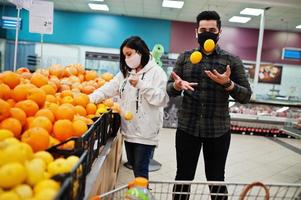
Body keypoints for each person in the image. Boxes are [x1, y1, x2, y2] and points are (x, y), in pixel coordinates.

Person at [166, 11, 252, 200]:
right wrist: (176, 86)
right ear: (196, 32)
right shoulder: (185, 58)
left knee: (216, 179)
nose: (207, 33)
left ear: (219, 32)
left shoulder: (231, 61)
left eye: (212, 30)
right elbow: (169, 89)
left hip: (218, 131)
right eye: (203, 30)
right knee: (183, 178)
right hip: (187, 128)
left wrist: (227, 84)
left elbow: (246, 96)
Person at [89, 36, 169, 179]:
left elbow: (161, 99)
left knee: (140, 171)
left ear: (140, 52)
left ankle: (141, 195)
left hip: (146, 133)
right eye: (124, 55)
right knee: (134, 167)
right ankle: (139, 193)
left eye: (129, 54)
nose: (126, 58)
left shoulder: (157, 73)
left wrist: (141, 85)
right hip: (129, 130)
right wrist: (89, 99)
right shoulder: (126, 73)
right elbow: (109, 88)